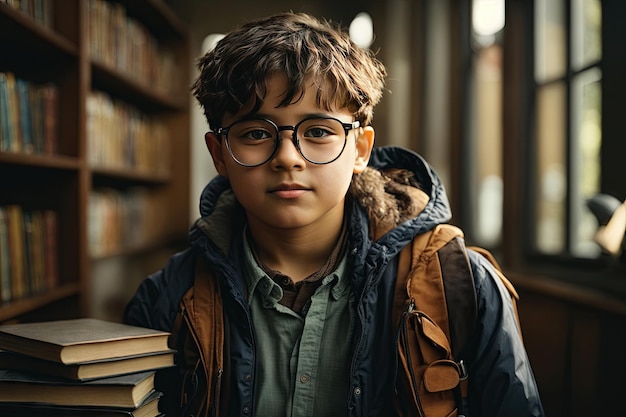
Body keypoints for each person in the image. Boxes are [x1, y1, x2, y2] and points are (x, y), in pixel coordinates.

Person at [124, 11, 544, 417]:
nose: (287, 158)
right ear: (220, 154)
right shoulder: (166, 298)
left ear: (360, 149)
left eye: (319, 131)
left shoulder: (461, 286)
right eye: (255, 133)